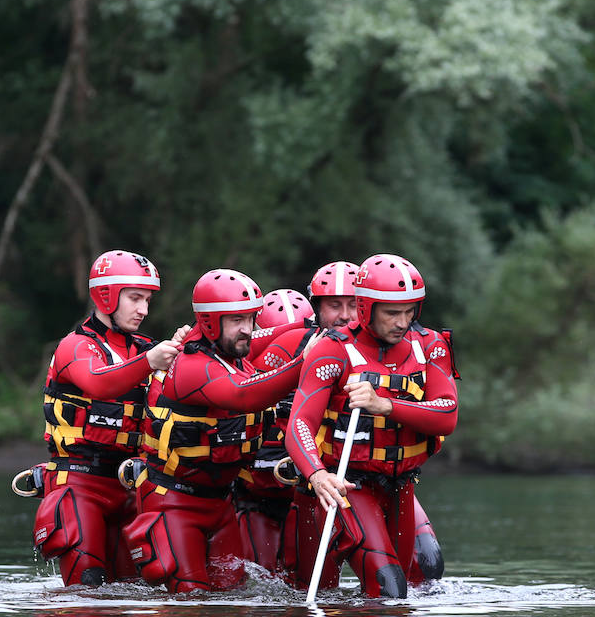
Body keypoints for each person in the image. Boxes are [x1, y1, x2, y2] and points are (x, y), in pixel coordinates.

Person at [284, 254, 459, 599]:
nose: (403, 322)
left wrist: (385, 405)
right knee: (388, 584)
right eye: (392, 313)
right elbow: (299, 424)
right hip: (350, 485)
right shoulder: (331, 350)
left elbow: (447, 413)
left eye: (410, 311)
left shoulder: (431, 345)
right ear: (366, 308)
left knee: (416, 580)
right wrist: (318, 476)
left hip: (402, 484)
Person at [126, 269, 305, 592]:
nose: (247, 330)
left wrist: (315, 328)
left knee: (232, 606)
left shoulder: (230, 351)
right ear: (209, 322)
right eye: (238, 321)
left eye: (251, 319)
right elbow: (244, 395)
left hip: (220, 505)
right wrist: (307, 359)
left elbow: (271, 335)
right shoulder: (192, 366)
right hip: (174, 503)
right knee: (191, 603)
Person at [33, 250, 191, 587]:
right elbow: (99, 383)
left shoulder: (148, 349)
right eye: (135, 298)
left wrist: (189, 350)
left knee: (135, 591)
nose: (144, 310)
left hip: (133, 488)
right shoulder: (74, 347)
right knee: (88, 589)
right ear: (106, 296)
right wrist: (151, 361)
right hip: (80, 485)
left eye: (148, 300)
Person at [234, 289, 315, 575]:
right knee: (262, 574)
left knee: (301, 579)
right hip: (254, 496)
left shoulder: (330, 372)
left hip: (305, 495)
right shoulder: (236, 370)